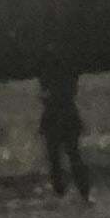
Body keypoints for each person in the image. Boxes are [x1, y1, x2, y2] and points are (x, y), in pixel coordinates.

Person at [40, 69, 91, 201]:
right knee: (72, 154)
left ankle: (61, 190)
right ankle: (81, 190)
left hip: (54, 113)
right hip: (66, 112)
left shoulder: (47, 67)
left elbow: (45, 91)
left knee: (56, 156)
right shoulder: (68, 67)